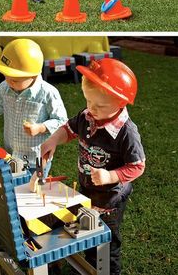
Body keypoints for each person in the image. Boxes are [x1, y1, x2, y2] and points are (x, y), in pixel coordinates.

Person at [41, 57, 145, 275]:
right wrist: (52, 140)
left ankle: (107, 270)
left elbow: (137, 166)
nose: (91, 109)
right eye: (88, 101)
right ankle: (89, 265)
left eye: (99, 105)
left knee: (106, 241)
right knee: (87, 229)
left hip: (110, 199)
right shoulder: (87, 116)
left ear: (121, 102)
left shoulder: (127, 133)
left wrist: (110, 176)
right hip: (87, 189)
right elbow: (68, 129)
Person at [0, 38, 68, 175]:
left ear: (33, 75)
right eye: (6, 76)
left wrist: (41, 128)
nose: (9, 82)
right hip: (11, 156)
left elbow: (61, 121)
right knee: (14, 190)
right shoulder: (5, 88)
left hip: (37, 159)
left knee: (32, 192)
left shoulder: (48, 93)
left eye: (15, 79)